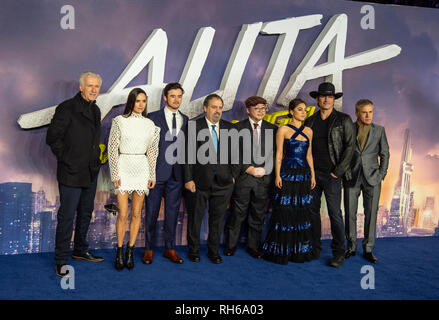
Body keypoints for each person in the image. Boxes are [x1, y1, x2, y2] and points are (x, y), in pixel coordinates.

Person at [46, 71, 104, 278]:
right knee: (67, 217)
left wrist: (96, 161)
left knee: (86, 213)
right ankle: (61, 260)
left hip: (90, 173)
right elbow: (53, 138)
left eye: (96, 86)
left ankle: (80, 250)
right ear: (81, 87)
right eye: (90, 86)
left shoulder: (96, 110)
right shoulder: (66, 108)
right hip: (70, 172)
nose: (94, 89)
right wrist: (68, 159)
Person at [108, 88, 160, 271]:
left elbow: (153, 152)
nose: (141, 104)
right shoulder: (119, 121)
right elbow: (112, 148)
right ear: (131, 102)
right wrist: (115, 174)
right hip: (123, 166)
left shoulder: (150, 125)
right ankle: (119, 251)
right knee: (122, 213)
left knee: (137, 214)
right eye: (138, 101)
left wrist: (152, 174)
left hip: (141, 167)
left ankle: (130, 251)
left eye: (144, 101)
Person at [304, 82, 355, 268]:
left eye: (330, 96)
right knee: (312, 213)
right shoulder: (311, 121)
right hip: (313, 175)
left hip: (332, 175)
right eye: (323, 96)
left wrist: (337, 172)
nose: (326, 99)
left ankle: (338, 253)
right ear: (317, 99)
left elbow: (350, 147)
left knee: (335, 214)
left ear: (334, 99)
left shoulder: (344, 120)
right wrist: (308, 173)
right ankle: (314, 248)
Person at [183, 94, 239, 264]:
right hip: (199, 182)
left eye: (220, 107)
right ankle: (193, 250)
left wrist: (233, 177)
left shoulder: (230, 129)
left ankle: (213, 251)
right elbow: (187, 156)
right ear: (205, 108)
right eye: (214, 107)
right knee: (195, 218)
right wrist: (188, 179)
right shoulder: (194, 127)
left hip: (224, 183)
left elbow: (236, 156)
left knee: (217, 220)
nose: (217, 111)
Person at [262, 98, 316, 264]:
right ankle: (282, 250)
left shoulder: (309, 131)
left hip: (303, 175)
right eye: (300, 109)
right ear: (291, 111)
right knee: (284, 211)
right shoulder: (283, 130)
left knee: (301, 212)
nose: (303, 112)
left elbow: (309, 155)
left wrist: (313, 175)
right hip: (286, 173)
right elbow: (279, 155)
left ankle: (297, 251)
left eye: (305, 110)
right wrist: (277, 175)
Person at [224, 96, 277, 259]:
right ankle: (230, 245)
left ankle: (253, 246)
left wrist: (266, 170)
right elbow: (233, 153)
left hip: (264, 179)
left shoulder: (273, 129)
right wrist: (248, 168)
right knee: (237, 213)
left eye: (263, 108)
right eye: (257, 108)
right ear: (247, 110)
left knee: (258, 214)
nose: (261, 111)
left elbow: (276, 154)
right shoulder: (237, 128)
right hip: (244, 178)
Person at [143, 83, 189, 265]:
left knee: (172, 214)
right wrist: (147, 173)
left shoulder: (186, 119)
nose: (176, 99)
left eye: (179, 96)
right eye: (172, 96)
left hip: (176, 176)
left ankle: (170, 248)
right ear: (165, 97)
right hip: (155, 175)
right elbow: (146, 146)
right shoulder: (152, 118)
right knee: (151, 214)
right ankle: (148, 249)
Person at [343, 99, 389, 264]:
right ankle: (351, 247)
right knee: (349, 213)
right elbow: (344, 153)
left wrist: (381, 174)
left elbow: (385, 154)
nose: (368, 115)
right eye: (364, 112)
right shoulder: (349, 129)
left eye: (370, 112)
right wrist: (345, 173)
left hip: (373, 178)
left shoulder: (379, 130)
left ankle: (368, 249)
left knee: (371, 214)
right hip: (351, 177)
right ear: (357, 113)